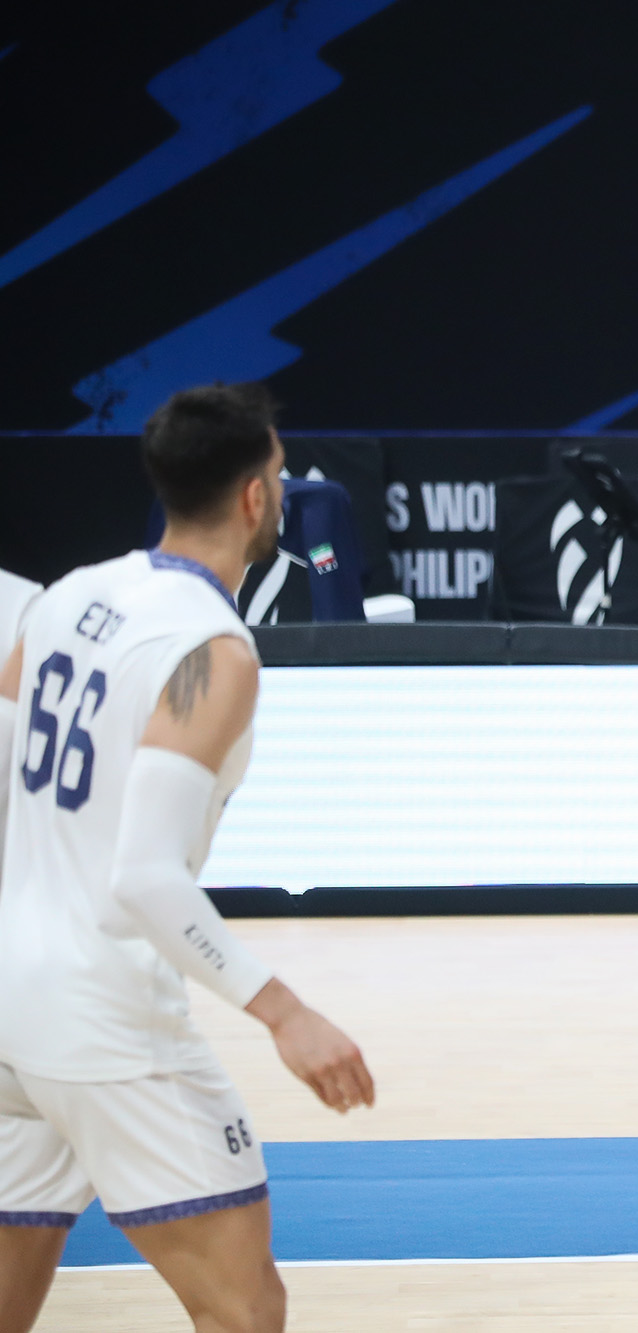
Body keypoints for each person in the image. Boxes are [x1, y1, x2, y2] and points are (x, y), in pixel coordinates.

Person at [0, 384, 375, 1333]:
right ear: (256, 496)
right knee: (246, 1310)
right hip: (105, 1017)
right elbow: (145, 877)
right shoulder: (214, 649)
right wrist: (285, 1012)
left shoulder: (63, 596)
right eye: (279, 475)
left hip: (10, 1001)